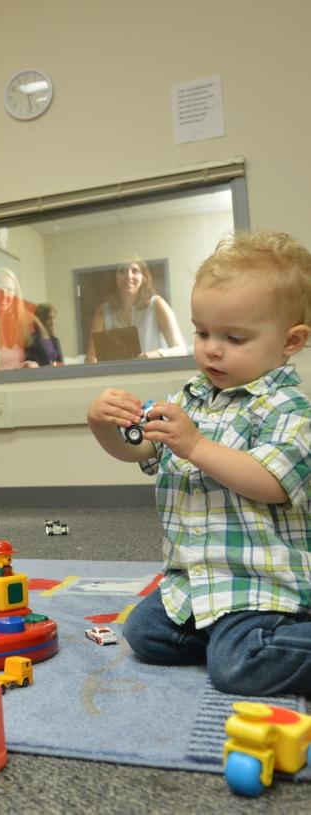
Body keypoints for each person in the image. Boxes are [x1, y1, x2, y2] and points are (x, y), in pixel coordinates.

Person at [87, 230, 311, 696]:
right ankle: (224, 636)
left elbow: (271, 481)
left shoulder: (288, 408)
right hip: (197, 577)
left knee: (237, 670)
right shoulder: (191, 398)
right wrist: (102, 426)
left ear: (291, 341)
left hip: (259, 585)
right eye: (203, 332)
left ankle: (254, 638)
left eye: (234, 337)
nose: (211, 348)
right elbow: (142, 451)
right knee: (143, 634)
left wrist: (195, 446)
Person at [85, 257, 186, 362]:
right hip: (116, 376)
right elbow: (91, 356)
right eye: (122, 271)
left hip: (153, 374)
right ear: (115, 278)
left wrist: (154, 355)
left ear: (144, 278)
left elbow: (181, 349)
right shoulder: (102, 312)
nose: (128, 276)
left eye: (135, 271)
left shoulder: (157, 305)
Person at [0, 267, 38, 370]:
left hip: (23, 384)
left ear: (15, 294)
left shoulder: (27, 322)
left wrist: (32, 365)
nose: (4, 294)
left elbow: (46, 359)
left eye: (9, 290)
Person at [25, 302, 63, 366]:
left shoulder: (54, 340)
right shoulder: (33, 340)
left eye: (53, 318)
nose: (52, 322)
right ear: (41, 319)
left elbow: (61, 363)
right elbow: (35, 363)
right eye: (49, 318)